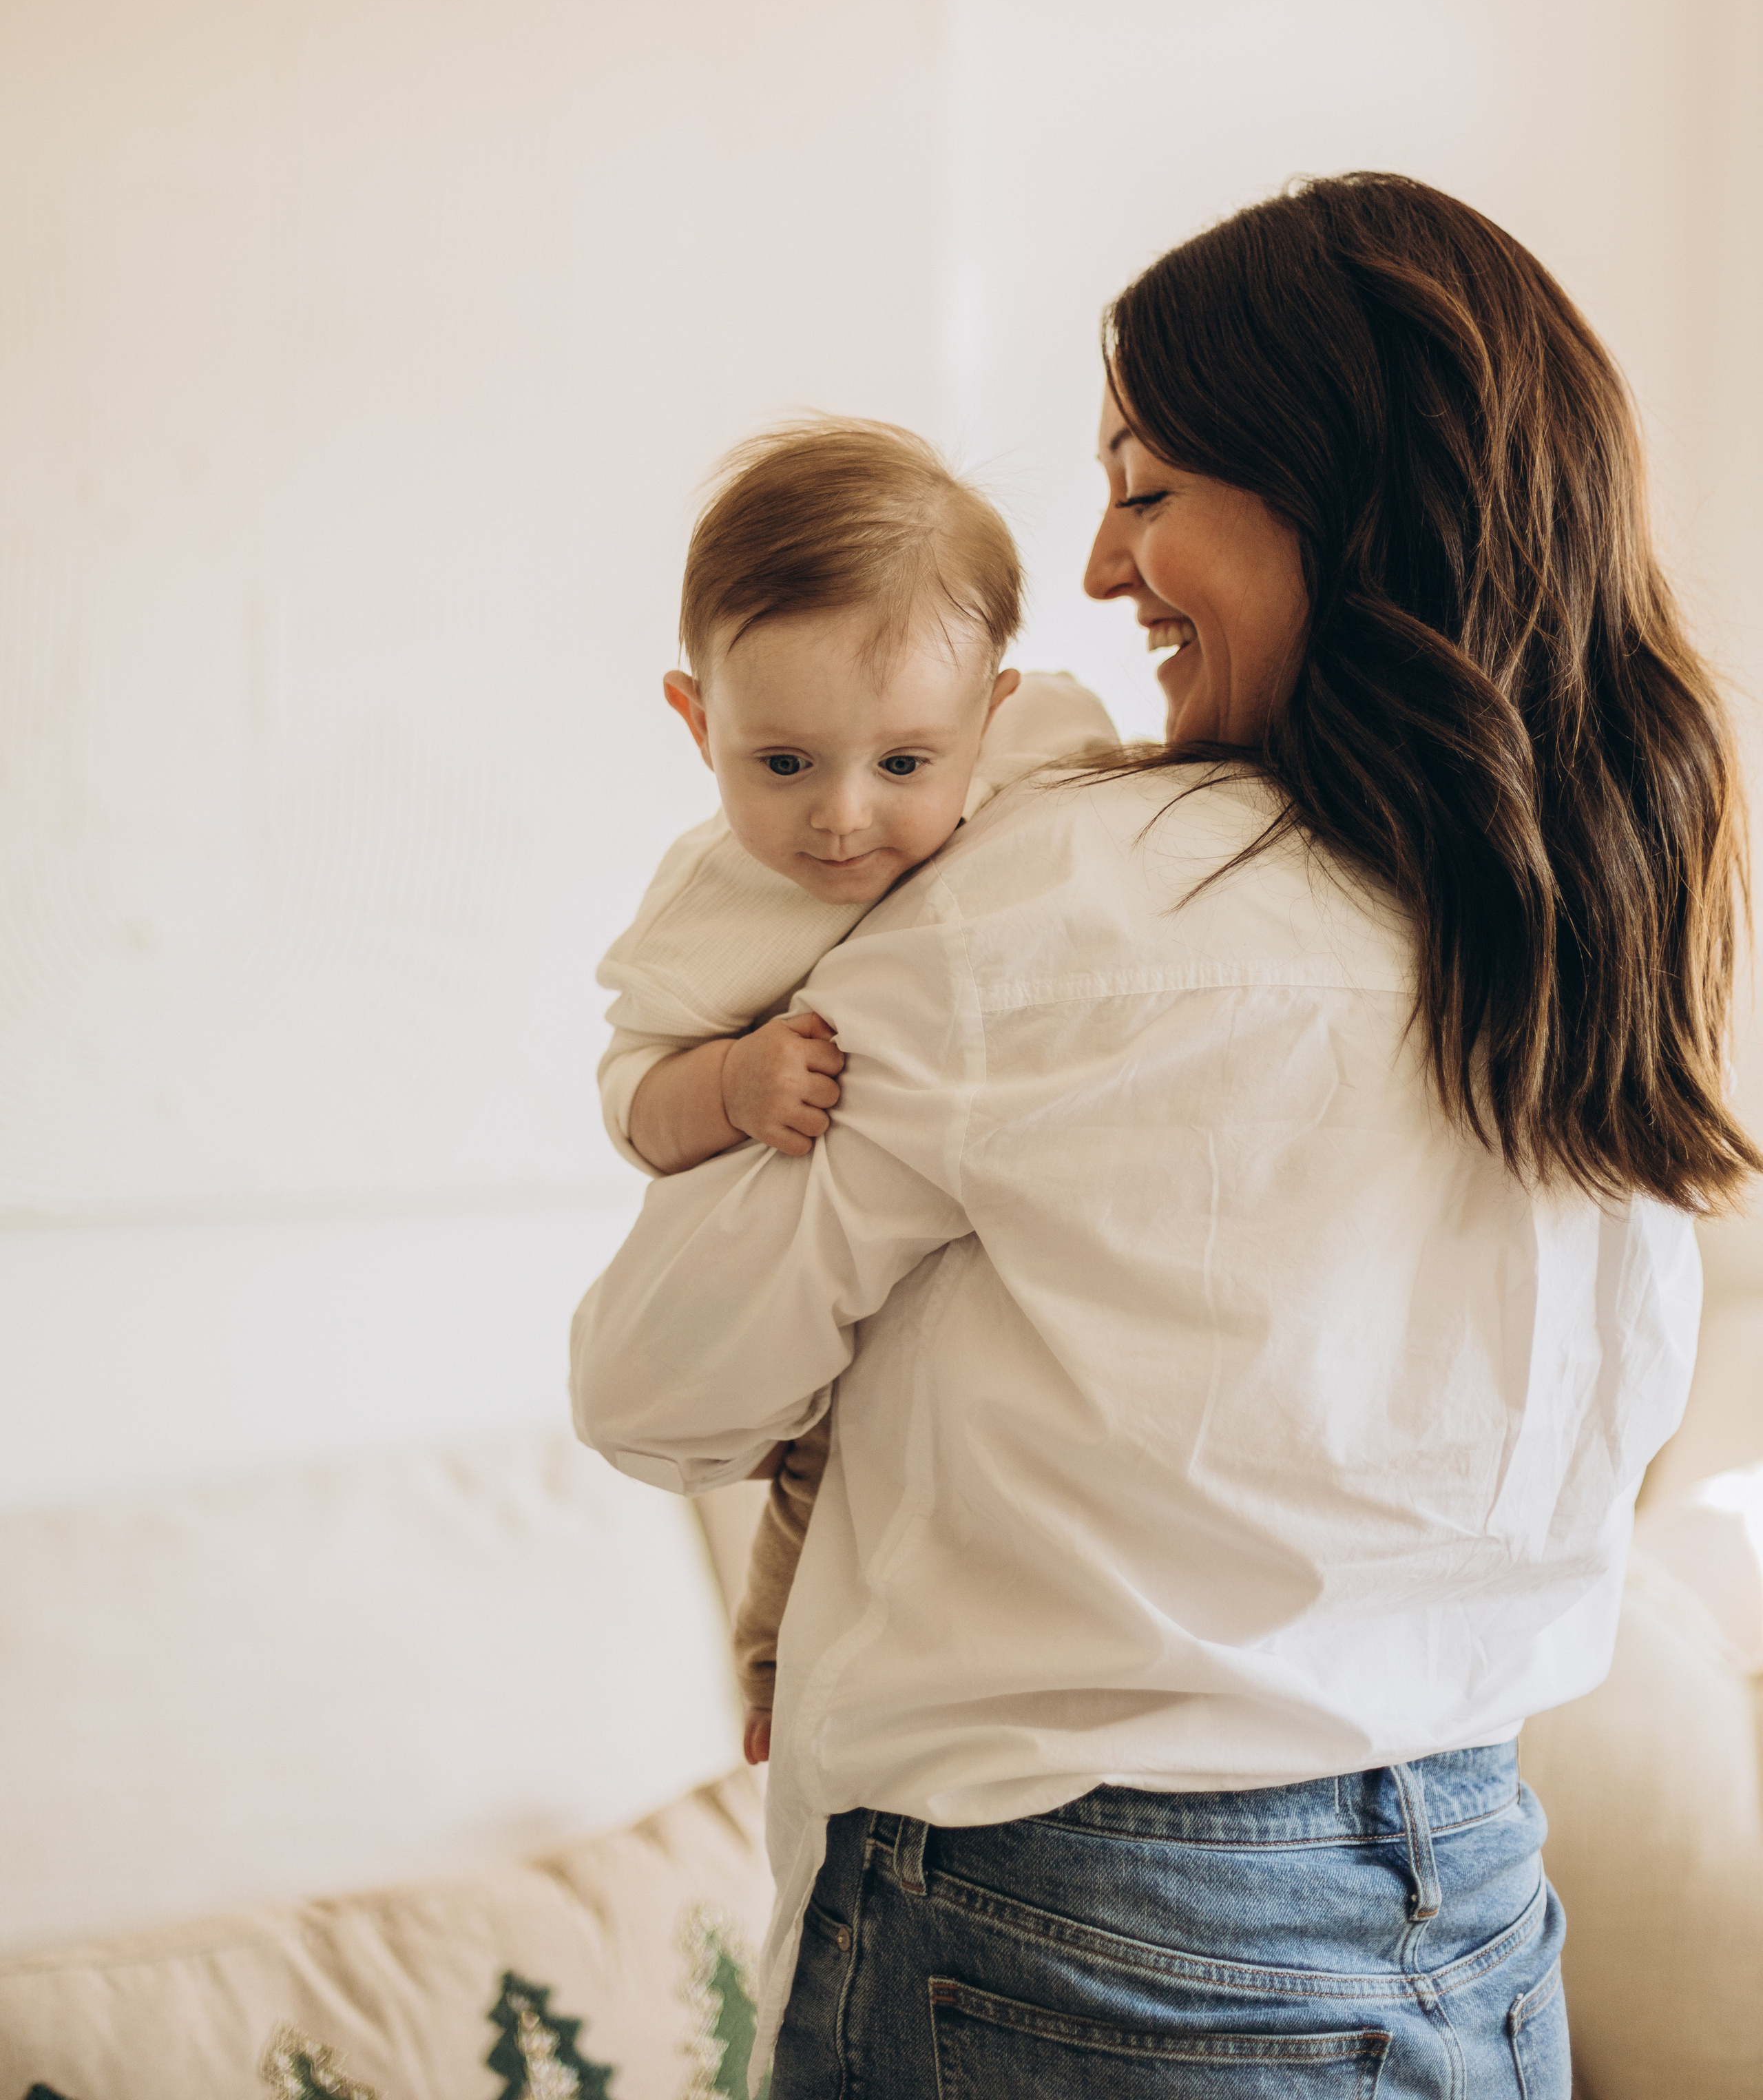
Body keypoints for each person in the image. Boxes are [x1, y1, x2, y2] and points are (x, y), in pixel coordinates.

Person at [572, 175, 1755, 2098]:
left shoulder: (1065, 892)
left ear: (1326, 501)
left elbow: (651, 1389)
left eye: (1148, 489)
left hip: (1064, 1935)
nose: (1101, 567)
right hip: (1473, 1918)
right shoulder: (1598, 929)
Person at [596, 418, 1116, 1764]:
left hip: (1014, 1258)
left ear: (990, 715)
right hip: (820, 1294)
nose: (839, 816)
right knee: (820, 1490)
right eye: (781, 765)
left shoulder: (1053, 748)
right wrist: (730, 1081)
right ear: (696, 721)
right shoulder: (707, 911)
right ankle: (775, 1678)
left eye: (902, 765)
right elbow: (633, 1098)